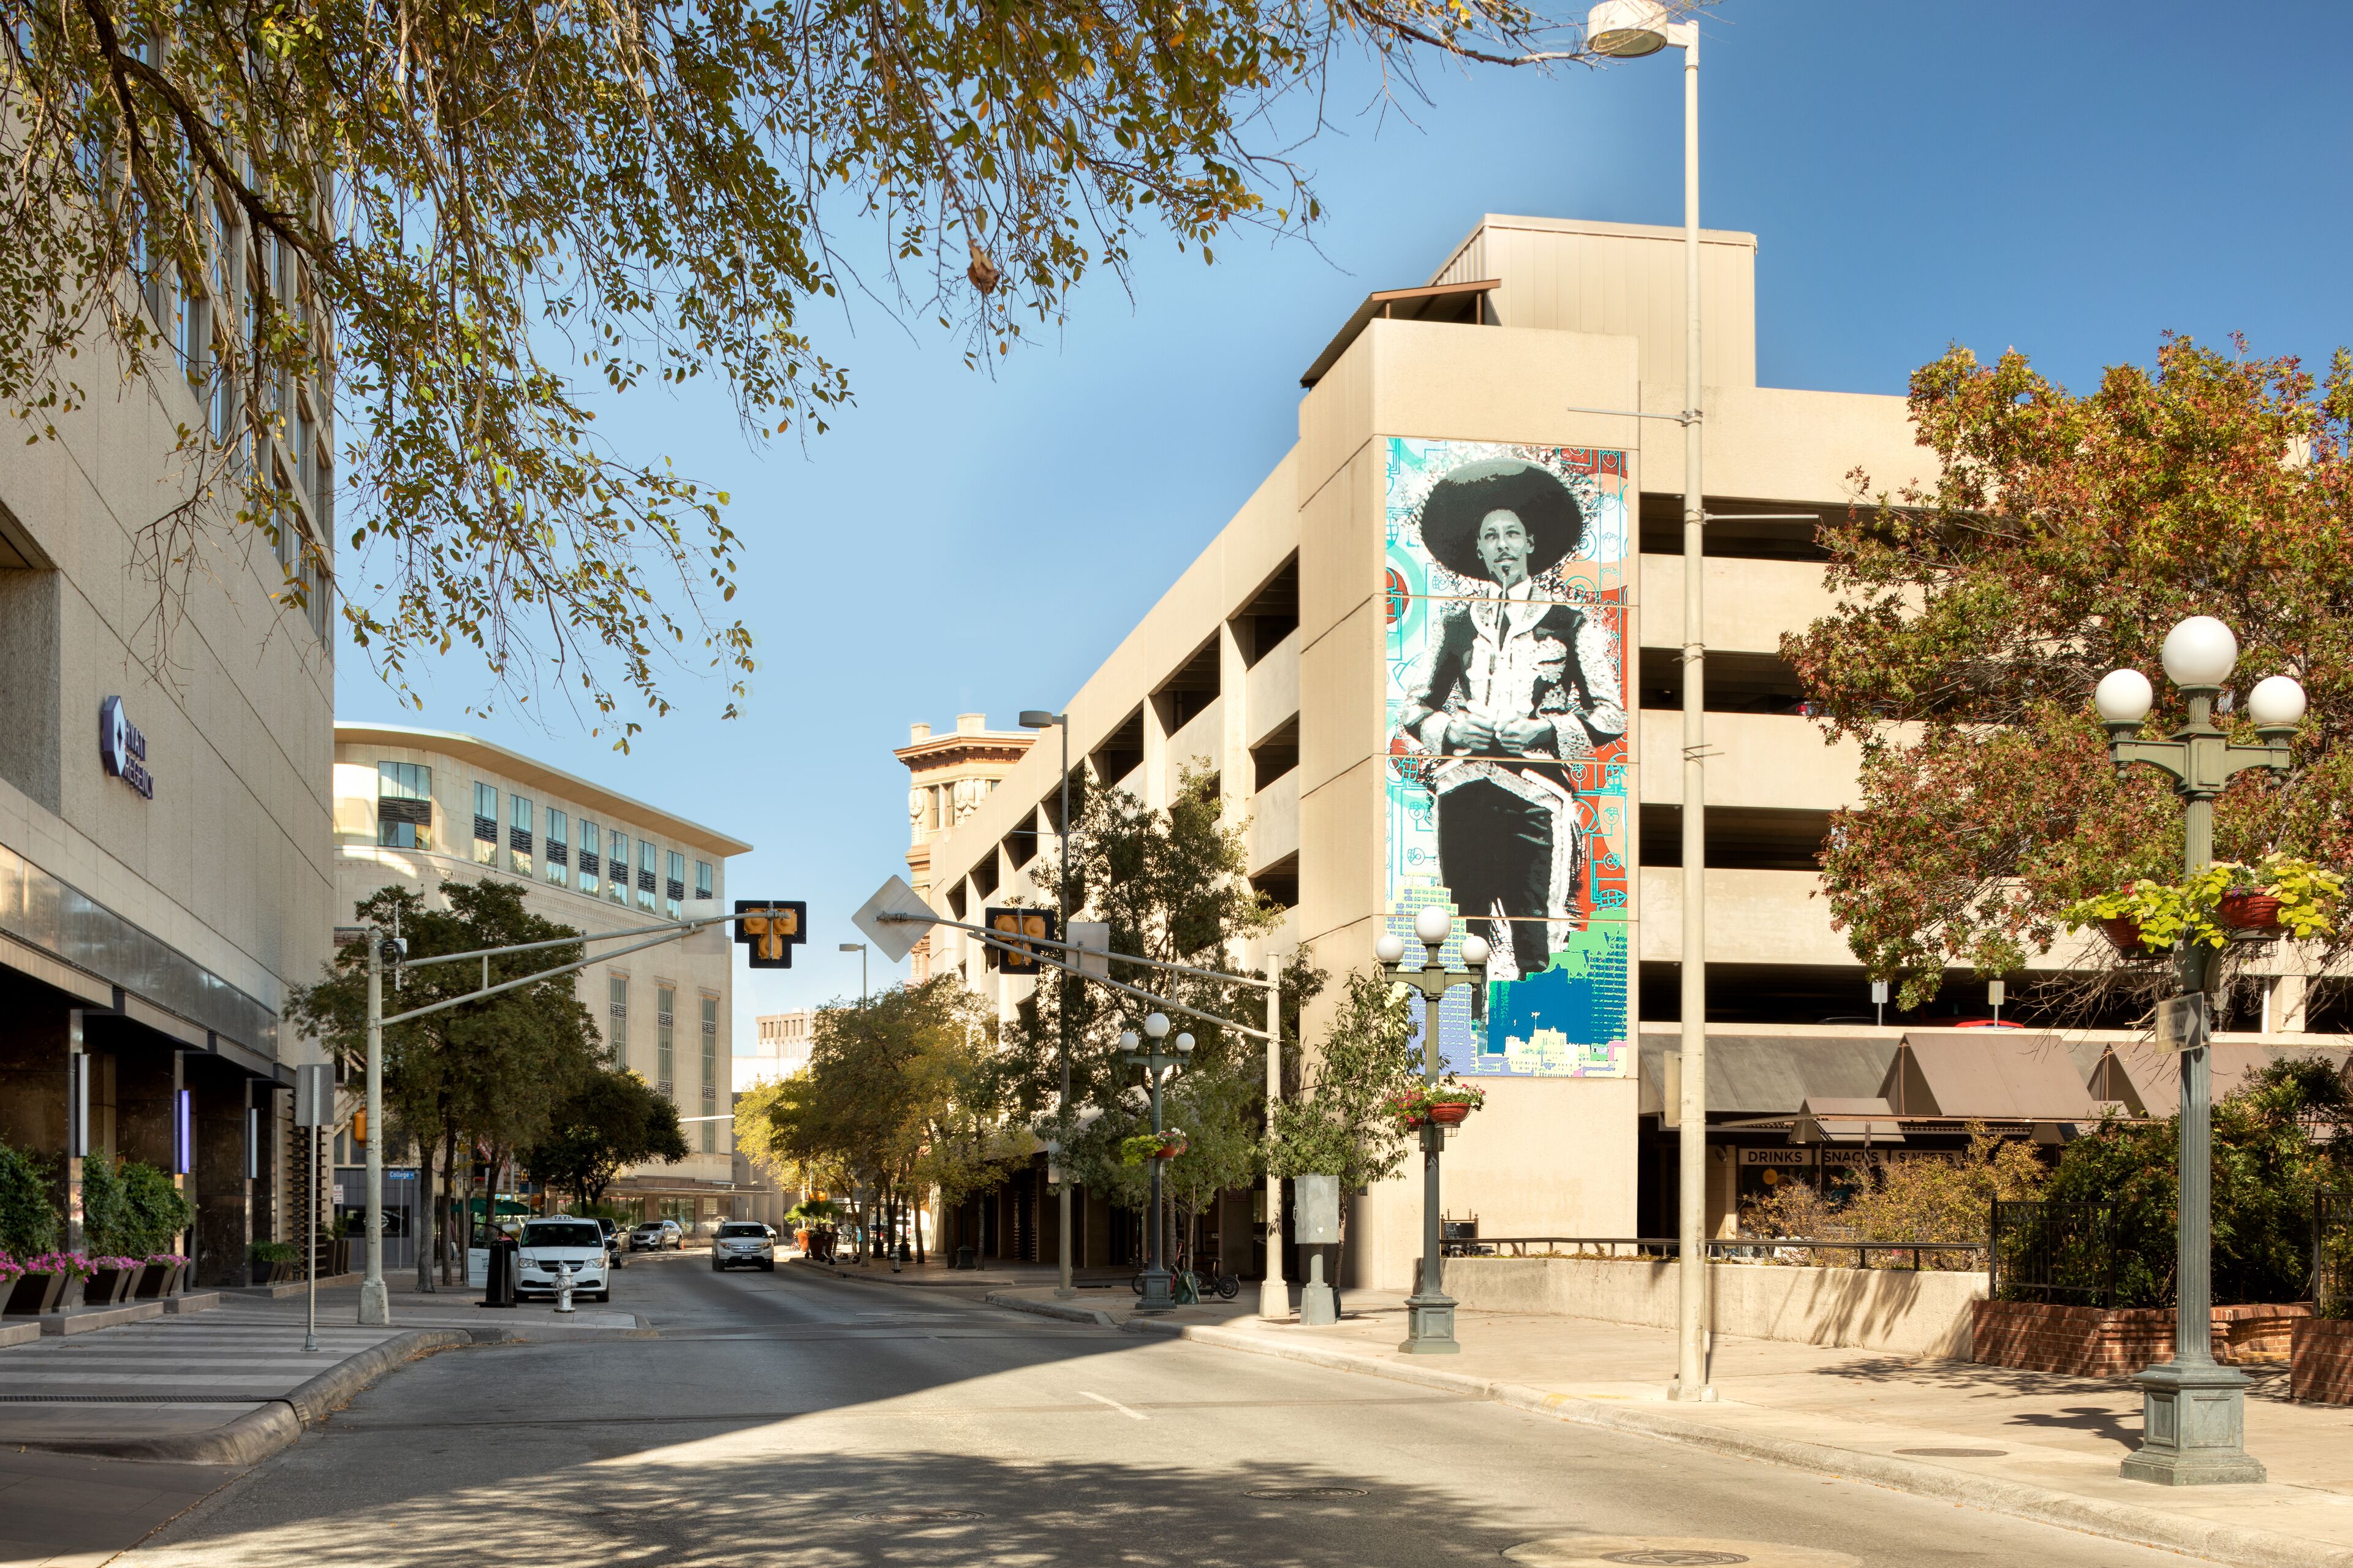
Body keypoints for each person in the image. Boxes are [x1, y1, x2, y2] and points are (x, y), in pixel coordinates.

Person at [1396, 458, 1624, 979]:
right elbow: (1414, 708)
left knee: (1534, 932)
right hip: (1463, 793)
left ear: (1530, 544)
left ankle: (1527, 1022)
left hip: (1535, 797)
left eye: (1512, 534)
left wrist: (1543, 731)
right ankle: (1463, 1034)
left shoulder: (1569, 623)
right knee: (1464, 935)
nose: (1502, 545)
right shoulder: (1455, 625)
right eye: (1491, 536)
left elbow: (1611, 715)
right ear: (1478, 550)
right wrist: (1452, 730)